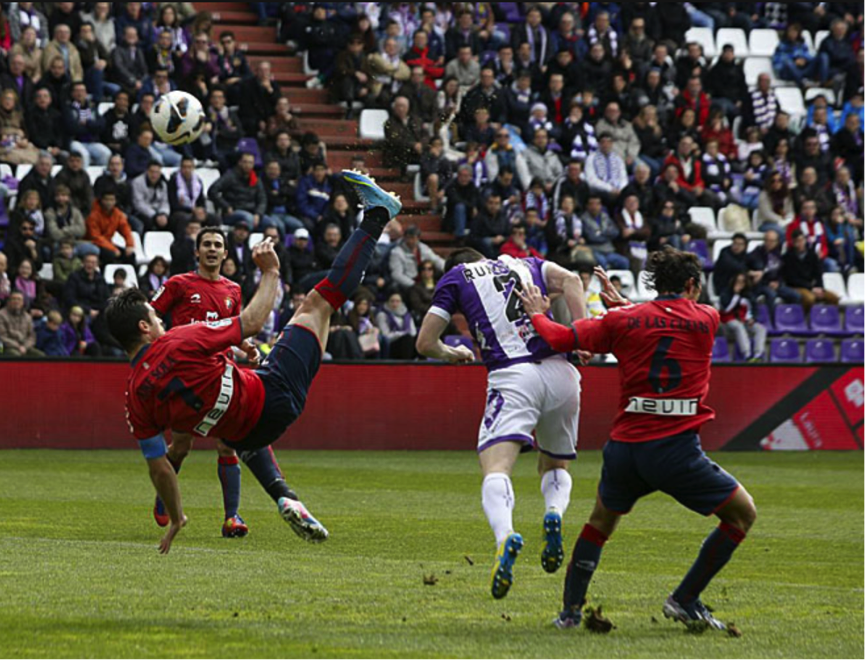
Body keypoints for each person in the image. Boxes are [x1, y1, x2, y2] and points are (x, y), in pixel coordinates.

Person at [104, 170, 404, 553]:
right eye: (157, 317)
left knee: (229, 431)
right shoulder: (180, 340)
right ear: (146, 326)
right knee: (318, 302)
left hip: (251, 432)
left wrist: (177, 516)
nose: (164, 321)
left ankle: (283, 495)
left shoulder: (134, 397)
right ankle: (378, 215)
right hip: (273, 392)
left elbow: (158, 466)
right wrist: (271, 272)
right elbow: (253, 321)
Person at [516, 250, 757, 631]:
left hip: (626, 449)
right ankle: (685, 599)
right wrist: (628, 307)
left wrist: (536, 312)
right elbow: (669, 322)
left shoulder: (623, 321)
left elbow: (561, 337)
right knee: (742, 514)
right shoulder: (707, 318)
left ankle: (570, 613)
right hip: (676, 450)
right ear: (692, 286)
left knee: (600, 522)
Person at [416, 247, 587, 599]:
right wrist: (581, 332)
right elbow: (572, 279)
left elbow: (425, 342)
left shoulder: (456, 276)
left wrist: (453, 354)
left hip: (513, 375)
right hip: (563, 373)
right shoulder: (526, 263)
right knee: (555, 463)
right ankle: (553, 512)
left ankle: (505, 535)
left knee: (496, 466)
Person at [149, 227, 271, 538]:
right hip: (186, 378)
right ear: (197, 252)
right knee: (182, 445)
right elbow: (149, 316)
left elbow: (231, 328)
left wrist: (247, 347)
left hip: (222, 375)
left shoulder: (232, 290)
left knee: (227, 443)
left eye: (218, 245)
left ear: (226, 253)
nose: (212, 249)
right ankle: (164, 493)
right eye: (207, 244)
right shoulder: (178, 284)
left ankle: (232, 517)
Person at [781, 229, 841, 313]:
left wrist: (820, 287)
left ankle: (830, 320)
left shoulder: (812, 255)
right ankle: (805, 319)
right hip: (797, 287)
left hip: (812, 286)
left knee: (834, 298)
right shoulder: (787, 257)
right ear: (793, 242)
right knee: (810, 298)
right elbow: (791, 279)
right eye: (797, 241)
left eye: (802, 240)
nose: (800, 243)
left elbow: (818, 273)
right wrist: (811, 288)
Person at [208, 153, 268, 229]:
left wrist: (258, 213)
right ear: (239, 162)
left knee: (272, 224)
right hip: (233, 212)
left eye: (250, 163)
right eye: (245, 162)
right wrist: (226, 206)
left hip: (252, 211)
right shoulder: (230, 176)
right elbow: (212, 191)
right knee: (249, 219)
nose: (247, 165)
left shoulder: (255, 179)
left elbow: (262, 199)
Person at [720, 273, 767, 362]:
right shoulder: (726, 293)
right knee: (738, 326)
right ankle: (747, 354)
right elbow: (726, 309)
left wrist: (753, 318)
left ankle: (758, 355)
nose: (740, 284)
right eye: (738, 281)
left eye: (742, 282)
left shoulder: (748, 295)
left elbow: (754, 309)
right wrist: (735, 294)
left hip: (745, 321)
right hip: (728, 321)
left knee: (761, 329)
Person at [86, 188, 135, 265]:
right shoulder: (93, 215)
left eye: (112, 200)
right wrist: (113, 249)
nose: (109, 203)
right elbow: (95, 237)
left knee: (130, 256)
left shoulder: (117, 214)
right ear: (101, 200)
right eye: (106, 200)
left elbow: (126, 229)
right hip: (93, 243)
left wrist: (129, 245)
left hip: (107, 243)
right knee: (110, 255)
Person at [388, 225, 444, 291]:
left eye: (414, 238)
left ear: (418, 238)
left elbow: (436, 260)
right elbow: (397, 275)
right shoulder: (396, 252)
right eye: (409, 238)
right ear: (405, 238)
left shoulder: (423, 248)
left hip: (424, 280)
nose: (411, 241)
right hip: (408, 284)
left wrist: (449, 268)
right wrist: (415, 285)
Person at [0, 290, 44, 357]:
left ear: (23, 302)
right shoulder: (1, 315)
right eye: (14, 299)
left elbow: (32, 336)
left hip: (24, 347)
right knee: (16, 356)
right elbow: (2, 337)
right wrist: (18, 346)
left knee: (41, 355)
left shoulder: (27, 317)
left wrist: (25, 347)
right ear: (8, 301)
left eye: (19, 299)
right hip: (8, 347)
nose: (16, 301)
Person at [131, 161, 170, 233]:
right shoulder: (137, 182)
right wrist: (155, 216)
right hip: (142, 213)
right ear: (147, 171)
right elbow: (138, 204)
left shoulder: (163, 184)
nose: (154, 175)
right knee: (148, 222)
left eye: (157, 172)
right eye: (152, 172)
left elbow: (165, 202)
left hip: (159, 213)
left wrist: (163, 214)